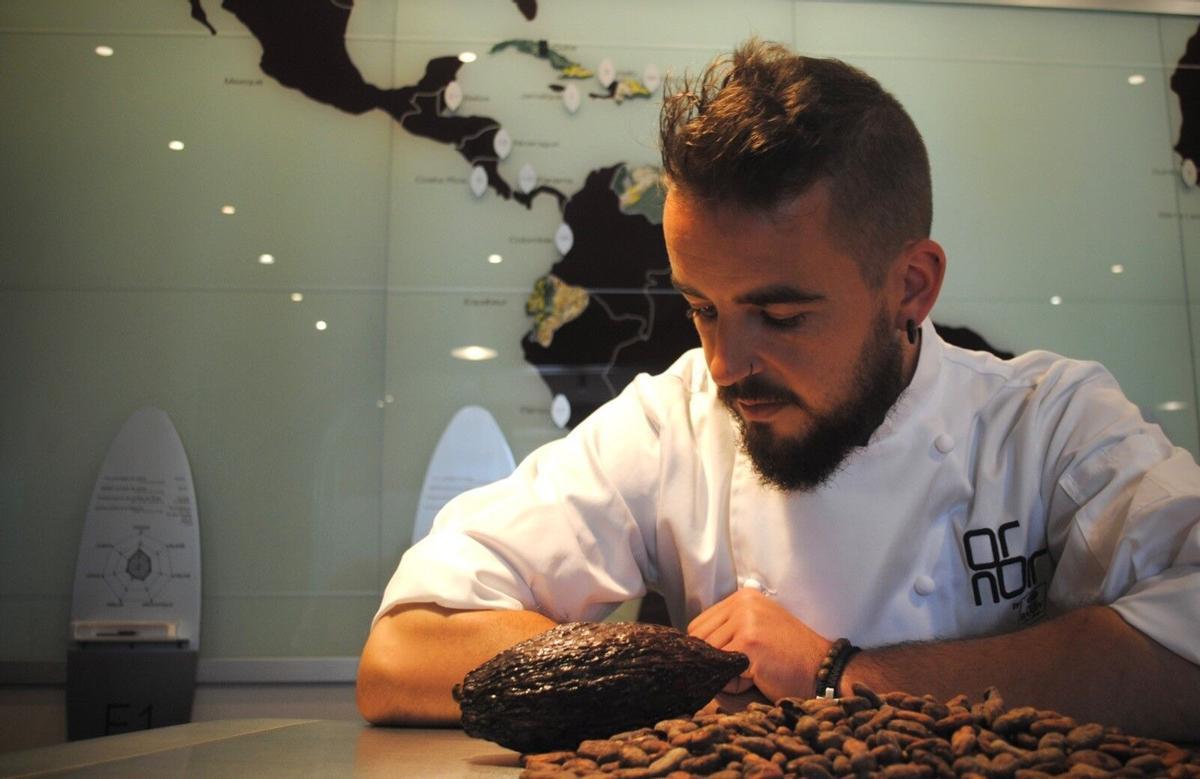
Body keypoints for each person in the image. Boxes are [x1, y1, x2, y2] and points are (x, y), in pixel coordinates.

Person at [357, 40, 1200, 739]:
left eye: (781, 315)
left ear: (910, 286)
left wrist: (841, 675)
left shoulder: (1047, 424)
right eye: (702, 308)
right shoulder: (671, 424)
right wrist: (667, 673)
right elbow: (403, 649)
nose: (726, 365)